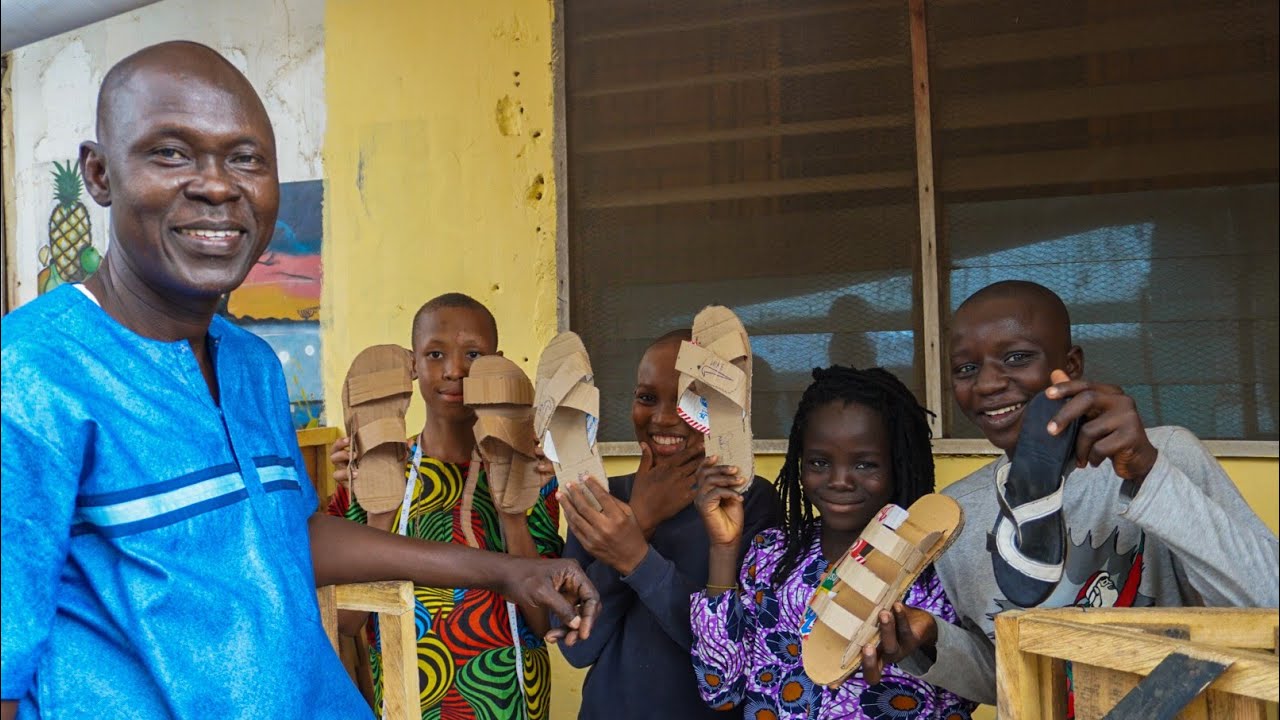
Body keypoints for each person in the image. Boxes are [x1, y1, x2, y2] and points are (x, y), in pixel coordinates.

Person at [0, 41, 596, 720]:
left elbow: (293, 534)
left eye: (246, 158)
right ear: (100, 174)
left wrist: (509, 569)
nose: (218, 185)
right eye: (171, 152)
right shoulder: (29, 377)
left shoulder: (249, 364)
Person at [868, 280, 1280, 706]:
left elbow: (1269, 601)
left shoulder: (1166, 454)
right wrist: (933, 640)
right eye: (966, 369)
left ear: (1072, 364)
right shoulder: (959, 516)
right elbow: (1015, 676)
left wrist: (1149, 473)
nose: (988, 383)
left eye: (1016, 357)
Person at [690, 366, 976, 719]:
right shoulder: (771, 557)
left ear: (899, 463)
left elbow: (973, 689)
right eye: (819, 462)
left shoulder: (937, 570)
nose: (839, 480)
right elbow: (721, 688)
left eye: (865, 464)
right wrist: (723, 548)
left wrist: (926, 644)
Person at [327, 293, 562, 719]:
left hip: (510, 703)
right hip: (408, 703)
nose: (455, 370)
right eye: (435, 354)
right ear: (412, 365)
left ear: (497, 363)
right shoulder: (366, 477)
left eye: (474, 354)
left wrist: (511, 512)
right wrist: (380, 506)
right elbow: (346, 623)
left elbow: (546, 624)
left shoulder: (535, 478)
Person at [553, 329, 783, 719]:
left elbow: (743, 651)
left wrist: (636, 556)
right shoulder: (599, 499)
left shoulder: (746, 500)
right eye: (647, 398)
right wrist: (639, 518)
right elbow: (578, 649)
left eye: (689, 400)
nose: (662, 418)